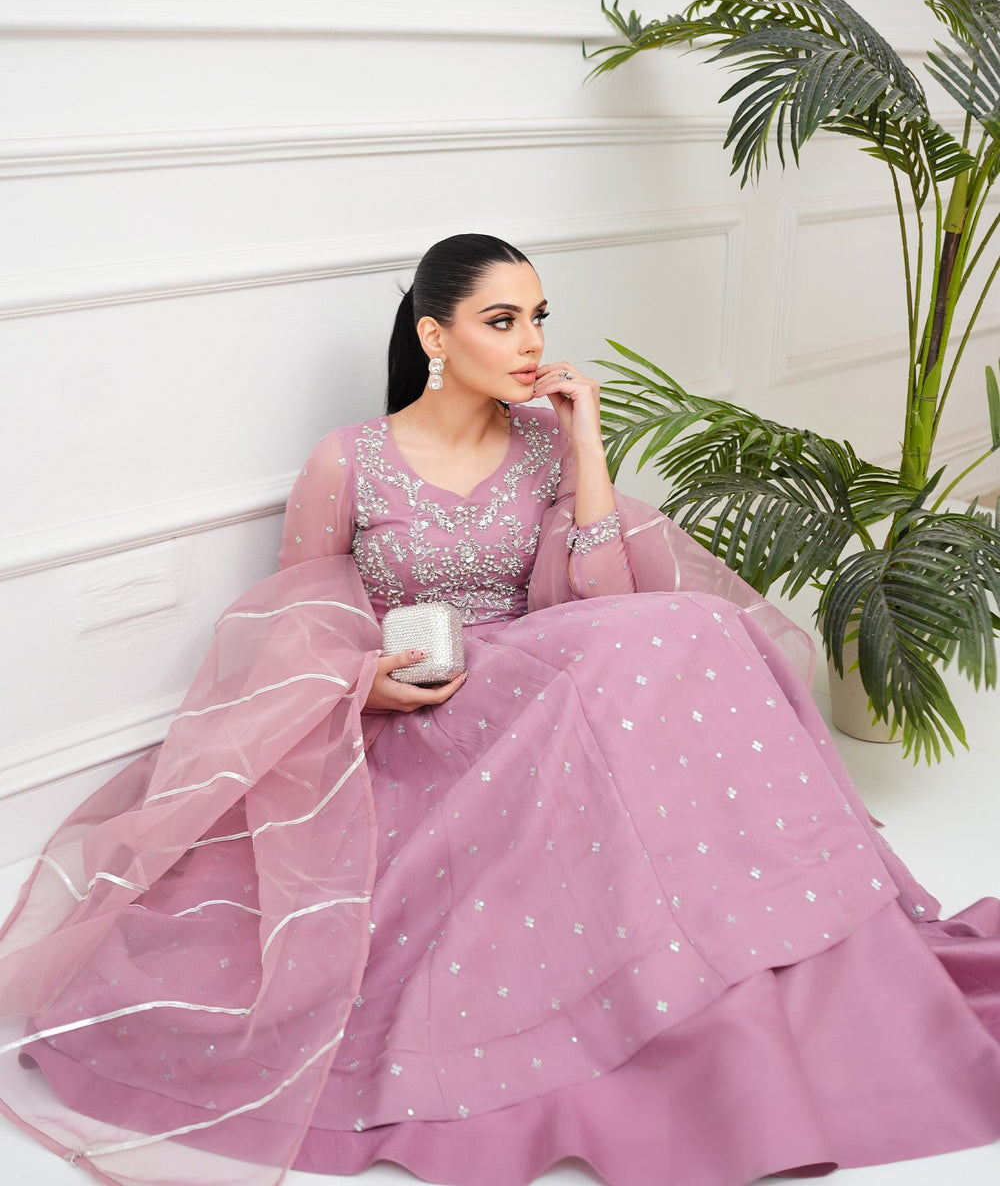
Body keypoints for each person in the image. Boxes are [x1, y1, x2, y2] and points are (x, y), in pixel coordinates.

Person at [3, 233, 1000, 1186]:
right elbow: (294, 622)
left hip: (546, 681)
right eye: (502, 319)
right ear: (434, 335)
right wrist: (367, 681)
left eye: (538, 317)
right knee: (670, 639)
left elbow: (607, 601)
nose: (531, 342)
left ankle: (761, 938)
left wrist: (587, 443)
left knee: (688, 630)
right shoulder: (349, 459)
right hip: (422, 711)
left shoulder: (543, 444)